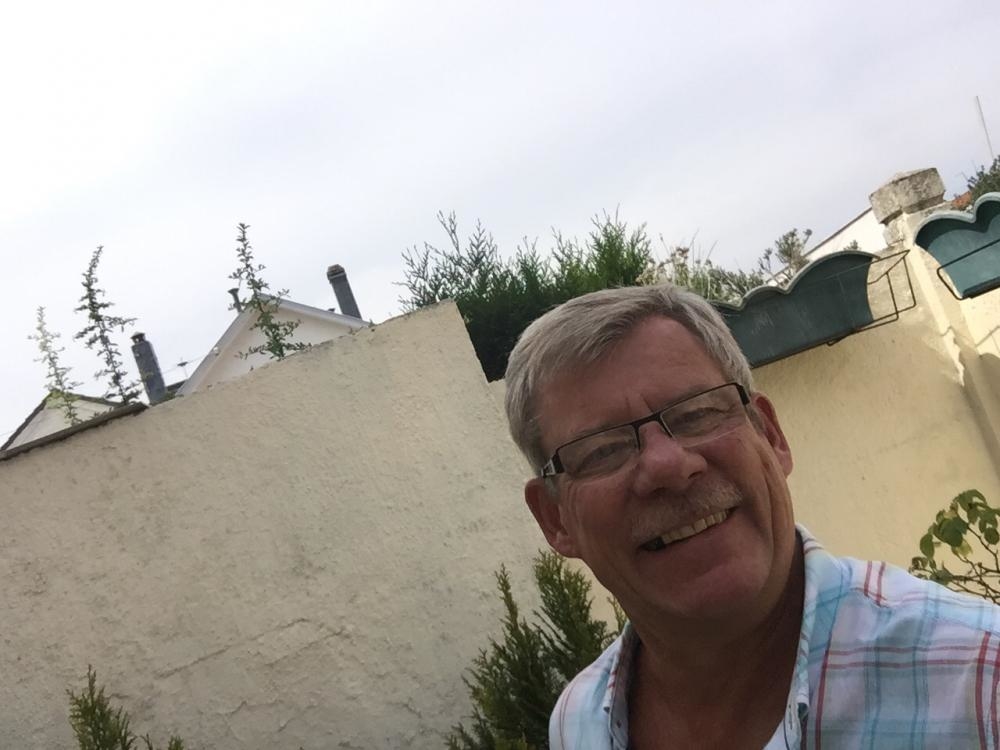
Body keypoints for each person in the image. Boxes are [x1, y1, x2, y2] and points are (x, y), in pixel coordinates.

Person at [503, 283, 1000, 749]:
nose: (669, 466)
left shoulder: (981, 682)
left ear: (771, 436)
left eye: (696, 414)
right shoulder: (578, 723)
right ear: (555, 519)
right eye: (603, 450)